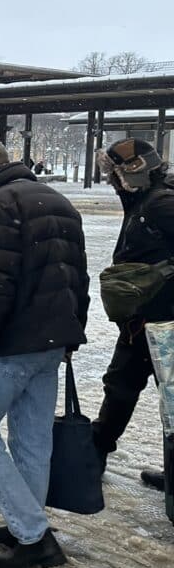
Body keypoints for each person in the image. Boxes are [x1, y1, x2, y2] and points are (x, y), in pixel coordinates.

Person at [0, 135, 89, 568]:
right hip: (51, 341)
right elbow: (78, 278)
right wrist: (72, 332)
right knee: (32, 440)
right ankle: (24, 524)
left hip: (11, 343)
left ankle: (34, 534)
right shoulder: (57, 200)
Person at [92, 138, 174, 491]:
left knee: (141, 390)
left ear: (134, 171)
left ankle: (94, 454)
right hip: (145, 320)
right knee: (122, 385)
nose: (111, 181)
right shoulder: (144, 200)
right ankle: (94, 454)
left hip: (163, 320)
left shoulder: (162, 204)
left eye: (115, 173)